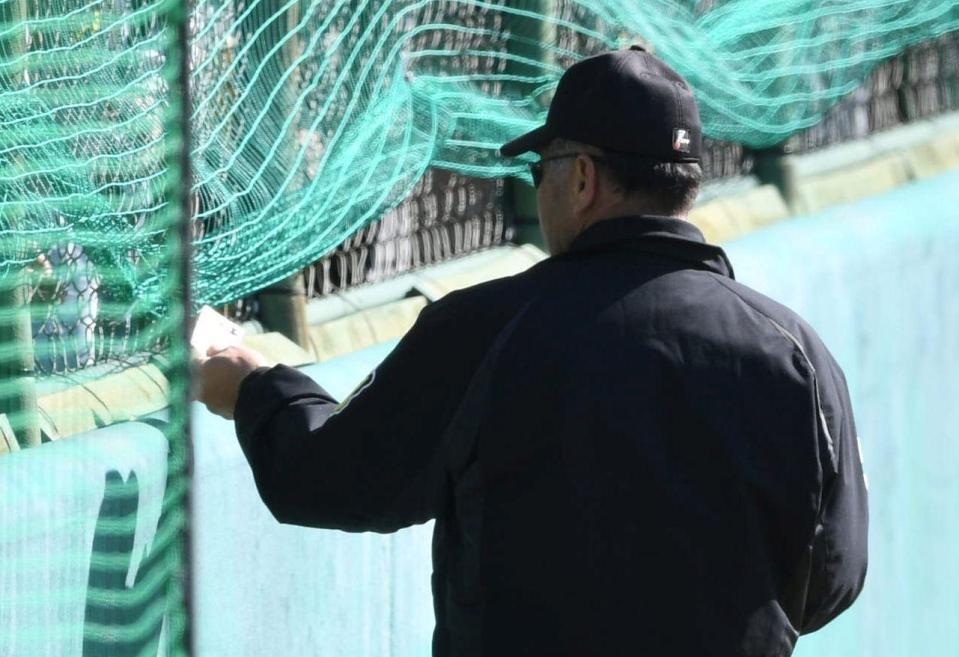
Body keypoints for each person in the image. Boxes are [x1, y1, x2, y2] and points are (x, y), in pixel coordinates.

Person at [195, 46, 868, 657]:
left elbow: (331, 476)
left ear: (582, 179)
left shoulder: (486, 328)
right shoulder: (792, 352)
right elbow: (832, 576)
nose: (539, 187)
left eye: (541, 168)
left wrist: (253, 388)